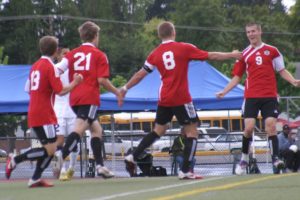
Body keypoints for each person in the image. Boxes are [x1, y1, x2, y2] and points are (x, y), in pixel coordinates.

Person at [121, 21, 241, 180]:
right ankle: (185, 170)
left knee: (158, 130)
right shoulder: (184, 47)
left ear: (159, 35)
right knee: (192, 132)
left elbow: (140, 75)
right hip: (181, 97)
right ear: (174, 32)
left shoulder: (154, 53)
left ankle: (133, 155)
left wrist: (124, 88)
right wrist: (231, 55)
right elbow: (211, 55)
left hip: (164, 98)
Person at [216, 22, 300, 175]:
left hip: (269, 95)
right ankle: (244, 159)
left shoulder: (272, 51)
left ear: (260, 31)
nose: (251, 34)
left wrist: (293, 80)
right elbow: (237, 77)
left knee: (271, 126)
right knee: (248, 128)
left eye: (253, 31)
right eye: (248, 32)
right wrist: (224, 91)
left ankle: (275, 158)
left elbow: (282, 70)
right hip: (251, 96)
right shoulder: (244, 54)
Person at [5, 36, 82, 187]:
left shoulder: (35, 66)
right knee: (51, 149)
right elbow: (60, 91)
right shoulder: (50, 67)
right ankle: (15, 160)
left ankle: (35, 178)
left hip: (34, 111)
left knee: (49, 149)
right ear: (56, 50)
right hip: (45, 113)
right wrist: (76, 82)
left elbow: (27, 89)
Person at [56, 21, 123, 179]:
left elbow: (57, 69)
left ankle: (100, 166)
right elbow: (102, 80)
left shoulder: (72, 54)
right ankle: (60, 157)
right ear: (95, 36)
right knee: (79, 130)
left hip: (74, 99)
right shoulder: (99, 55)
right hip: (89, 98)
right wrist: (117, 92)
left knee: (96, 130)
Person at [52, 47, 79, 181]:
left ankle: (71, 167)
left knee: (74, 141)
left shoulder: (75, 70)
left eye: (69, 54)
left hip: (73, 110)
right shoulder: (55, 69)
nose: (67, 56)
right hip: (59, 110)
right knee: (60, 142)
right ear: (58, 56)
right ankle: (61, 169)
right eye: (64, 53)